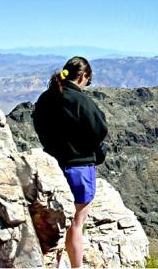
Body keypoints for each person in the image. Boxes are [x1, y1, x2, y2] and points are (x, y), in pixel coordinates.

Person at [32, 56, 108, 268]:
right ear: (83, 76)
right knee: (76, 223)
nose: (87, 85)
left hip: (52, 166)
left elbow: (38, 123)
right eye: (88, 81)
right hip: (79, 168)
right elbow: (99, 130)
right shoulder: (82, 101)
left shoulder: (46, 98)